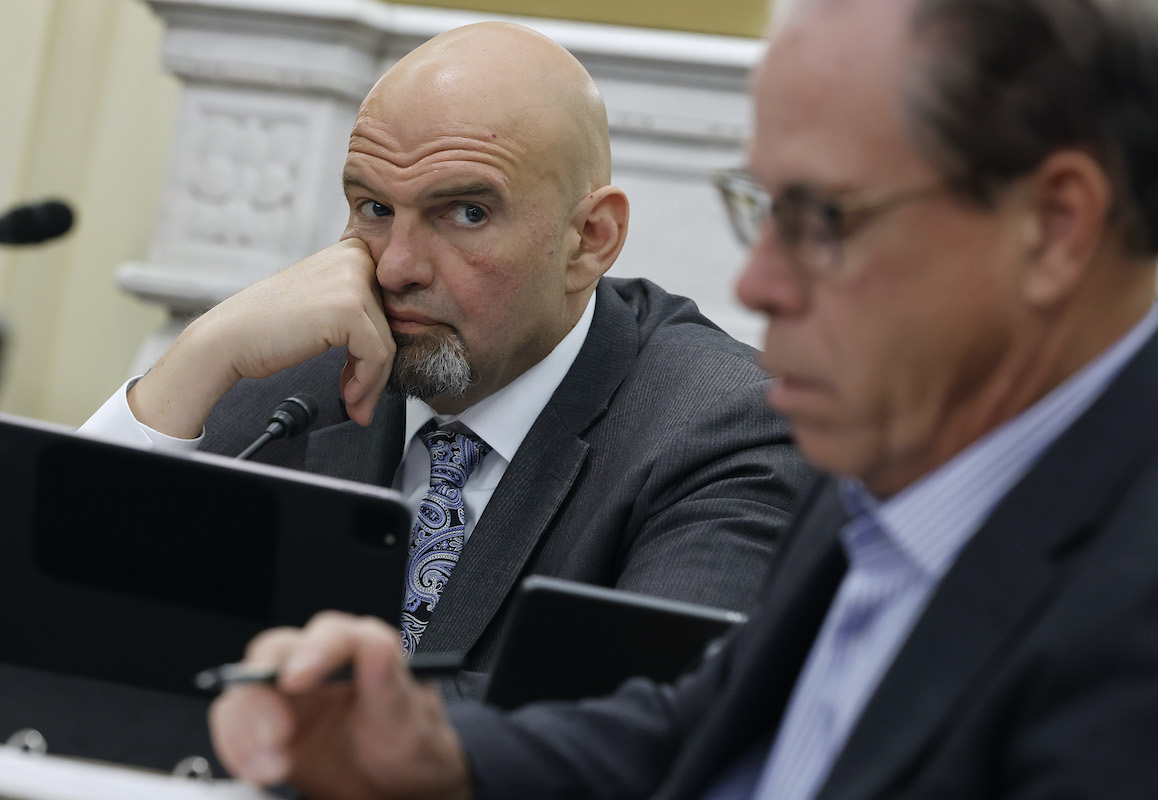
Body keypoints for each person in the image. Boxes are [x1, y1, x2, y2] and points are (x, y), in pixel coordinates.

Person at [205, 0, 1158, 797]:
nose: (758, 282)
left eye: (821, 218)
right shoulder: (892, 472)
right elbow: (697, 731)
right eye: (762, 208)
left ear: (1057, 227)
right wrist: (435, 756)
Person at [80, 22, 807, 699]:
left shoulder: (725, 427)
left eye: (466, 214)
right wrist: (198, 358)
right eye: (372, 208)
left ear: (590, 238)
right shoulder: (298, 368)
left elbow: (634, 731)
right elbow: (55, 607)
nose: (395, 268)